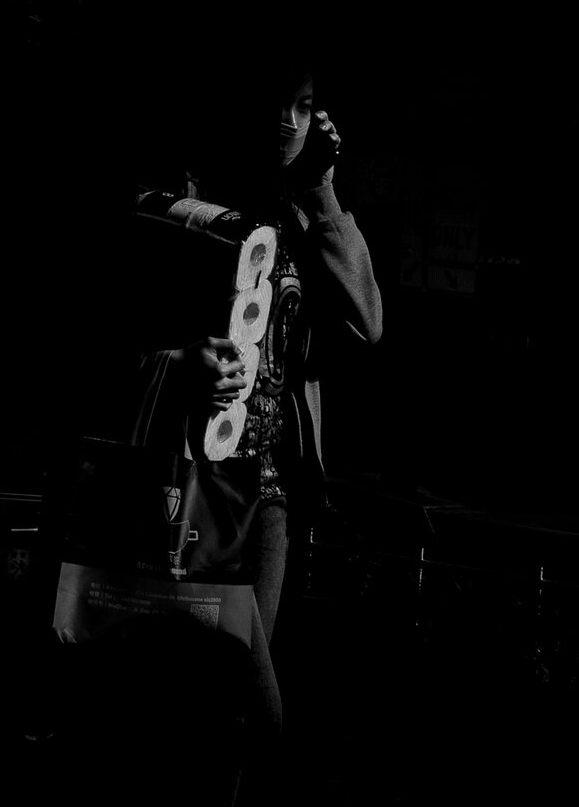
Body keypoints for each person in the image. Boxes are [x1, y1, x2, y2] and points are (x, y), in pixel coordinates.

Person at [125, 44, 387, 771]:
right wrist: (180, 363)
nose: (286, 118)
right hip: (190, 473)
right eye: (278, 99)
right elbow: (108, 328)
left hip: (268, 488)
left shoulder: (305, 213)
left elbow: (367, 323)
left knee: (228, 709)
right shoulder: (188, 193)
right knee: (234, 698)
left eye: (304, 105)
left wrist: (324, 193)